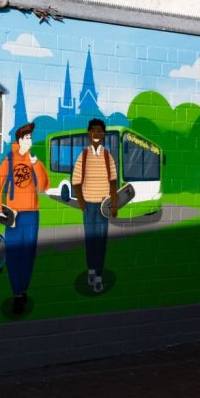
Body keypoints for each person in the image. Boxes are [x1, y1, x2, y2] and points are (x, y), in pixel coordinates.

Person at [0, 124, 50, 314]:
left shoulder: (34, 159)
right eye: (28, 137)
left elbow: (44, 185)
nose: (30, 140)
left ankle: (22, 290)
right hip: (13, 216)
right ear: (20, 140)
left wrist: (36, 164)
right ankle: (17, 293)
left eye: (31, 137)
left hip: (32, 214)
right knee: (14, 254)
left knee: (28, 254)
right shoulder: (9, 160)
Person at [72, 118, 118, 293]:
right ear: (88, 134)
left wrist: (114, 205)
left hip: (103, 207)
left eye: (99, 131)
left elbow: (113, 182)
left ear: (103, 134)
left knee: (101, 243)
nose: (96, 134)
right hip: (89, 207)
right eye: (93, 130)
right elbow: (76, 182)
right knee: (90, 241)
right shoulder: (83, 155)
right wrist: (82, 204)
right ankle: (91, 271)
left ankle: (98, 277)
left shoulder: (107, 156)